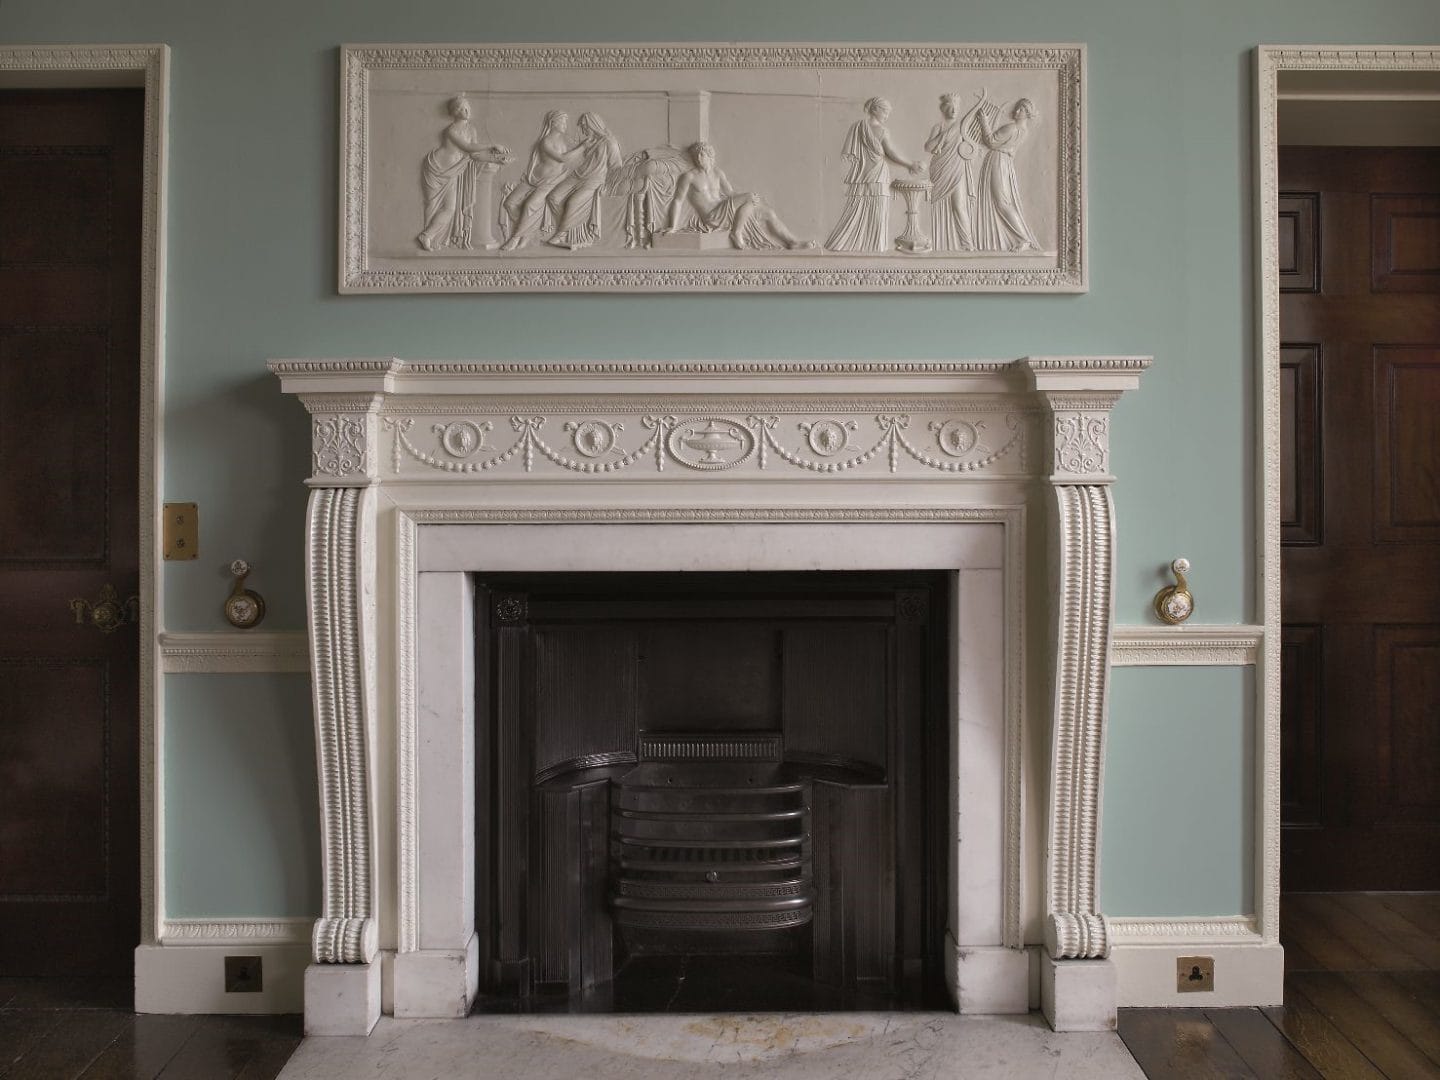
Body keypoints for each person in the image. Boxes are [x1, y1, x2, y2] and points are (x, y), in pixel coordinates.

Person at [659, 141, 814, 250]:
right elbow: (678, 201)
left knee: (768, 213)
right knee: (749, 197)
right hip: (712, 216)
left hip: (726, 210)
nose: (699, 159)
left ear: (710, 156)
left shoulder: (718, 173)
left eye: (702, 155)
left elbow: (731, 193)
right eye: (696, 156)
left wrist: (748, 199)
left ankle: (792, 242)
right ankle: (736, 233)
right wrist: (672, 226)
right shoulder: (689, 176)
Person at [824, 97, 924, 252]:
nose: (887, 116)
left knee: (856, 209)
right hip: (877, 175)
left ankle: (850, 243)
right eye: (885, 111)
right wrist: (910, 164)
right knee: (877, 211)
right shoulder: (881, 131)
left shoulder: (857, 127)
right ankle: (876, 245)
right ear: (875, 109)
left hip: (861, 175)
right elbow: (891, 153)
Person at [415, 97, 510, 252]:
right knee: (435, 206)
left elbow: (474, 154)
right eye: (460, 108)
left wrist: (496, 159)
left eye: (466, 107)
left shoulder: (471, 130)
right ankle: (428, 237)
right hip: (438, 168)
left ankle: (427, 236)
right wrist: (493, 145)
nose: (465, 111)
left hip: (454, 170)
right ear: (453, 112)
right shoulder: (451, 130)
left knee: (449, 208)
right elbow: (468, 147)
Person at [499, 110, 583, 251]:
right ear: (553, 123)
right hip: (533, 178)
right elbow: (562, 158)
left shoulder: (566, 141)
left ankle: (515, 237)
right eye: (562, 122)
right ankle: (526, 230)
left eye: (565, 122)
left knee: (530, 205)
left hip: (552, 181)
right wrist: (583, 147)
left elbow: (577, 154)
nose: (565, 125)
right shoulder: (545, 141)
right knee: (509, 203)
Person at [968, 92, 1040, 252]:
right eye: (1016, 109)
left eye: (1020, 110)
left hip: (998, 161)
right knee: (1002, 201)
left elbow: (991, 142)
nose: (1016, 112)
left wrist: (984, 122)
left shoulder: (1012, 128)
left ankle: (1023, 238)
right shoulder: (1024, 131)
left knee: (1002, 202)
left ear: (1027, 113)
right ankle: (1018, 238)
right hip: (1005, 163)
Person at [545, 112, 623, 250]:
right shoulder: (588, 142)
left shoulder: (610, 142)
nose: (582, 130)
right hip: (577, 176)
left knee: (573, 202)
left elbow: (616, 167)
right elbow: (568, 158)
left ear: (592, 125)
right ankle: (568, 228)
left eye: (584, 126)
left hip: (594, 180)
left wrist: (607, 184)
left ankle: (561, 234)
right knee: (553, 197)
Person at [924, 93, 976, 252]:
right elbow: (928, 147)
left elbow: (972, 148)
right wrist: (943, 136)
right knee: (938, 205)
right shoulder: (938, 127)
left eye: (956, 107)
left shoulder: (962, 126)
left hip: (957, 169)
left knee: (959, 206)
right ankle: (940, 243)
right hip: (940, 169)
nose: (953, 110)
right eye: (950, 107)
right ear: (943, 109)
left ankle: (967, 243)